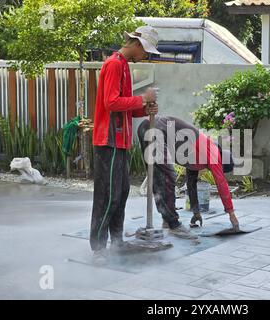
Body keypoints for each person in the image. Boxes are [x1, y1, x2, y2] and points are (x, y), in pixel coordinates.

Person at [90, 26, 161, 265]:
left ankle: (117, 242)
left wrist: (143, 108)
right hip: (108, 140)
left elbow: (123, 106)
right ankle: (98, 248)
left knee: (121, 193)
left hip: (119, 140)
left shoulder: (124, 66)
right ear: (138, 44)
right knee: (107, 195)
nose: (146, 56)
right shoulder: (113, 64)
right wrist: (143, 99)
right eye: (146, 51)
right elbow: (111, 103)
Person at [137, 116, 240, 239]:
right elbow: (221, 183)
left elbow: (191, 184)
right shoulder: (213, 151)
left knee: (159, 178)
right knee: (168, 177)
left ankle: (167, 221)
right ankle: (174, 225)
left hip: (146, 127)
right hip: (155, 128)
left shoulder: (198, 155)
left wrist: (196, 212)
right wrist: (231, 214)